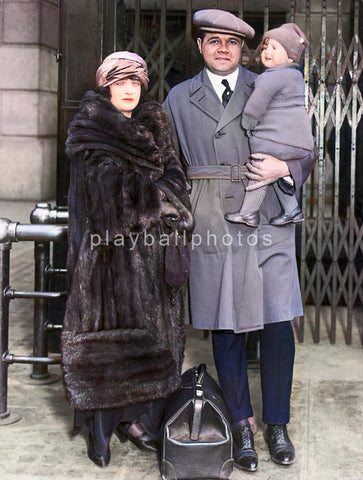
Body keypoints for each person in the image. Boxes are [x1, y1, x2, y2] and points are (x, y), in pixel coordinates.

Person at [163, 9, 315, 473]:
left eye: (232, 42)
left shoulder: (272, 81)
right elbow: (167, 164)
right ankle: (242, 425)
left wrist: (285, 169)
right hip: (210, 216)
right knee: (226, 326)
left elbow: (306, 146)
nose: (223, 49)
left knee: (276, 324)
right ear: (200, 46)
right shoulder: (178, 98)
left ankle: (277, 424)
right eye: (213, 41)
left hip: (265, 210)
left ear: (245, 48)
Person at [61, 51, 193, 467]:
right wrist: (161, 202)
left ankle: (136, 420)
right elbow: (108, 200)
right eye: (120, 83)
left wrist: (157, 196)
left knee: (150, 343)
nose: (129, 90)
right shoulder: (91, 130)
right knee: (110, 348)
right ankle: (100, 429)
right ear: (106, 86)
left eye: (135, 82)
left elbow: (177, 180)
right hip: (106, 262)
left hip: (152, 261)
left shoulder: (154, 124)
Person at [225, 22, 314, 227]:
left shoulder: (270, 77)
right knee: (276, 175)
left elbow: (255, 107)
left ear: (291, 56)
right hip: (298, 142)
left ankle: (248, 213)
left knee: (260, 168)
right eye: (265, 46)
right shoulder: (296, 76)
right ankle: (292, 209)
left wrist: (247, 124)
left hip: (277, 140)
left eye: (275, 48)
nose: (267, 51)